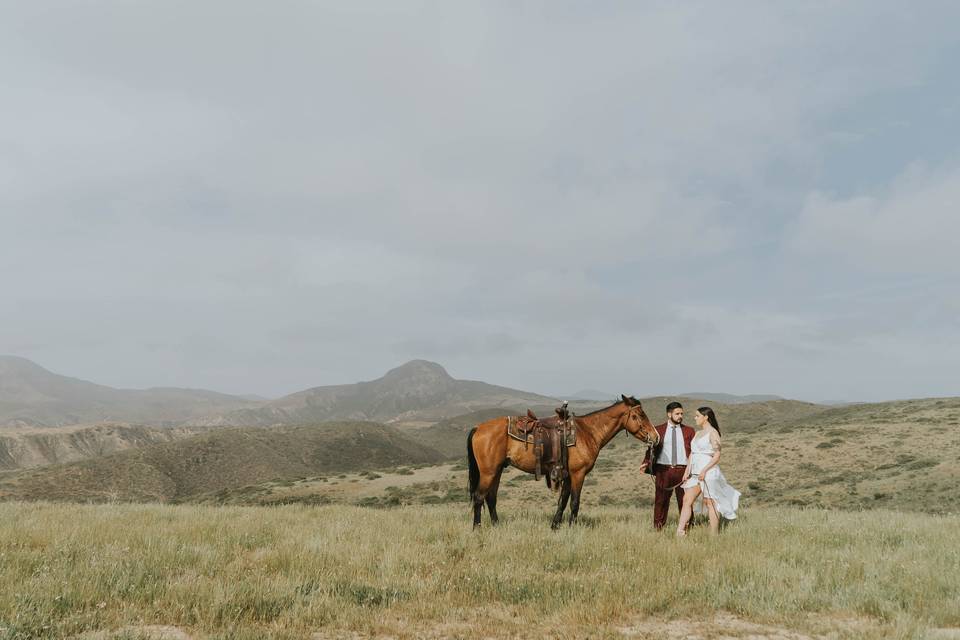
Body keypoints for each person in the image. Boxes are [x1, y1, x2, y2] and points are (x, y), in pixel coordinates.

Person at [676, 406, 741, 536]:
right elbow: (692, 454)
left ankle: (714, 534)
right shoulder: (698, 433)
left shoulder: (713, 432)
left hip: (708, 472)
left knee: (710, 502)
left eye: (697, 416)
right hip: (694, 473)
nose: (695, 418)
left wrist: (705, 470)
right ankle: (680, 531)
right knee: (687, 500)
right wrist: (686, 472)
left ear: (705, 417)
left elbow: (717, 455)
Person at [640, 401, 695, 530]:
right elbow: (651, 449)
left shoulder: (689, 431)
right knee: (661, 501)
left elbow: (694, 451)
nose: (680, 416)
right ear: (669, 414)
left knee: (686, 501)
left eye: (681, 413)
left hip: (684, 471)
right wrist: (646, 463)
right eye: (677, 413)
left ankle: (687, 528)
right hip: (663, 470)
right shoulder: (658, 430)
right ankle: (658, 529)